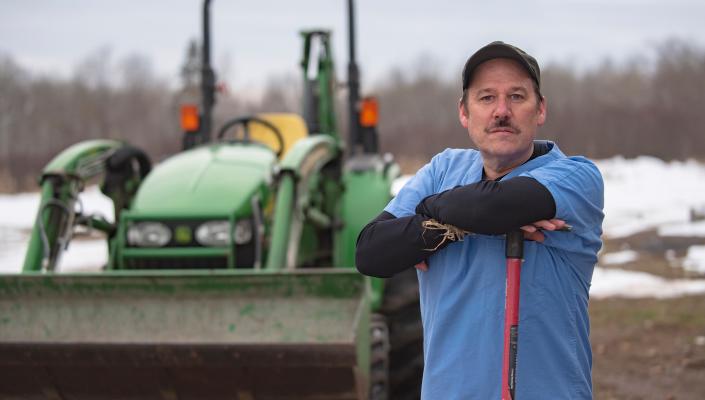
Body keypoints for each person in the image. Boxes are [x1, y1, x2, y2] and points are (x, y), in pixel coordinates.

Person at [355, 41, 604, 399]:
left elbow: (495, 208)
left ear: (540, 110)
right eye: (486, 98)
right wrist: (454, 219)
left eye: (516, 97)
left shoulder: (576, 178)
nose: (501, 111)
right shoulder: (443, 170)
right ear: (464, 112)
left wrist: (429, 214)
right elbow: (371, 251)